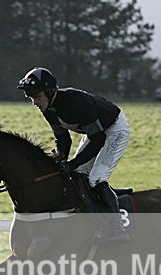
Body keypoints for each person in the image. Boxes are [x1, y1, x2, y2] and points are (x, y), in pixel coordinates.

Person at [17, 67, 130, 244]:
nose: (34, 102)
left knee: (97, 179)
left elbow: (99, 139)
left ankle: (117, 229)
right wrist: (61, 159)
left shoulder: (75, 102)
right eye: (31, 98)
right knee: (76, 175)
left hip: (114, 130)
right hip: (95, 133)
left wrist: (72, 163)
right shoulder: (48, 110)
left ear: (49, 91)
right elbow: (63, 139)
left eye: (37, 97)